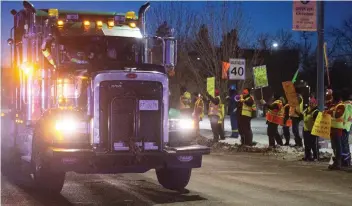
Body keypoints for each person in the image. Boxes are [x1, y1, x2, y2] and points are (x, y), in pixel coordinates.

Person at [325, 90, 345, 170]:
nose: (332, 98)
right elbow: (327, 103)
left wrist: (329, 112)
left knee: (337, 146)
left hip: (337, 129)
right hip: (332, 128)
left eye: (332, 96)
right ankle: (336, 162)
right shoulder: (334, 105)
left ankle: (338, 163)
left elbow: (337, 115)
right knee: (334, 147)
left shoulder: (341, 105)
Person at [302, 97, 319, 161]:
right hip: (306, 129)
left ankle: (315, 156)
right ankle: (307, 156)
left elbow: (317, 122)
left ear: (316, 104)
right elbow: (303, 115)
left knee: (313, 144)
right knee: (306, 144)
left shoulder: (316, 112)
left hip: (312, 130)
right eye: (310, 103)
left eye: (312, 103)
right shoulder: (306, 110)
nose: (311, 104)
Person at [341, 89, 352, 167]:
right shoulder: (350, 104)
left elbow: (344, 117)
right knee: (345, 144)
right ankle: (347, 159)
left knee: (344, 144)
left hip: (343, 127)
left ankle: (346, 161)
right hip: (347, 127)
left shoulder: (345, 105)